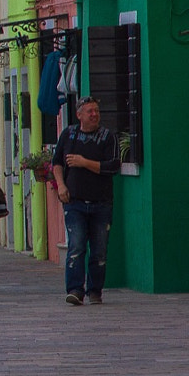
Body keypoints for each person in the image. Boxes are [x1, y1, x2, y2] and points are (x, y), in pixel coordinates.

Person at [54, 97, 119, 305]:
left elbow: (112, 166)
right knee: (76, 245)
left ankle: (95, 290)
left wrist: (84, 162)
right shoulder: (69, 135)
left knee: (99, 250)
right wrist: (61, 185)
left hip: (101, 202)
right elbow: (56, 163)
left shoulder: (108, 137)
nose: (94, 115)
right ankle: (75, 289)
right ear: (79, 114)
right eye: (90, 111)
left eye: (97, 111)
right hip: (75, 202)